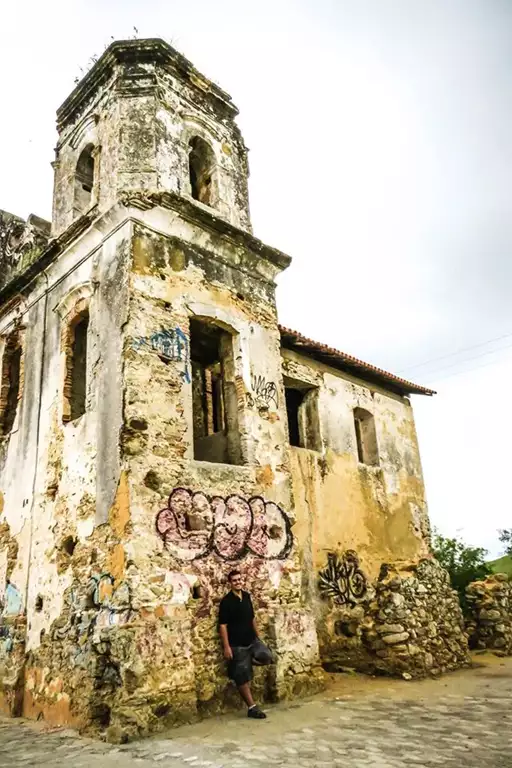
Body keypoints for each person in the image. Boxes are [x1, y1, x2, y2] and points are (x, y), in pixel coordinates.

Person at [218, 569, 273, 719]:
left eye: (239, 579)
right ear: (230, 583)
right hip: (237, 644)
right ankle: (252, 707)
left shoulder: (247, 597)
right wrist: (227, 647)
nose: (238, 582)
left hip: (251, 641)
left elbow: (252, 618)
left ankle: (246, 662)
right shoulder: (226, 602)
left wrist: (258, 637)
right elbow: (223, 626)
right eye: (234, 580)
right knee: (241, 677)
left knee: (267, 656)